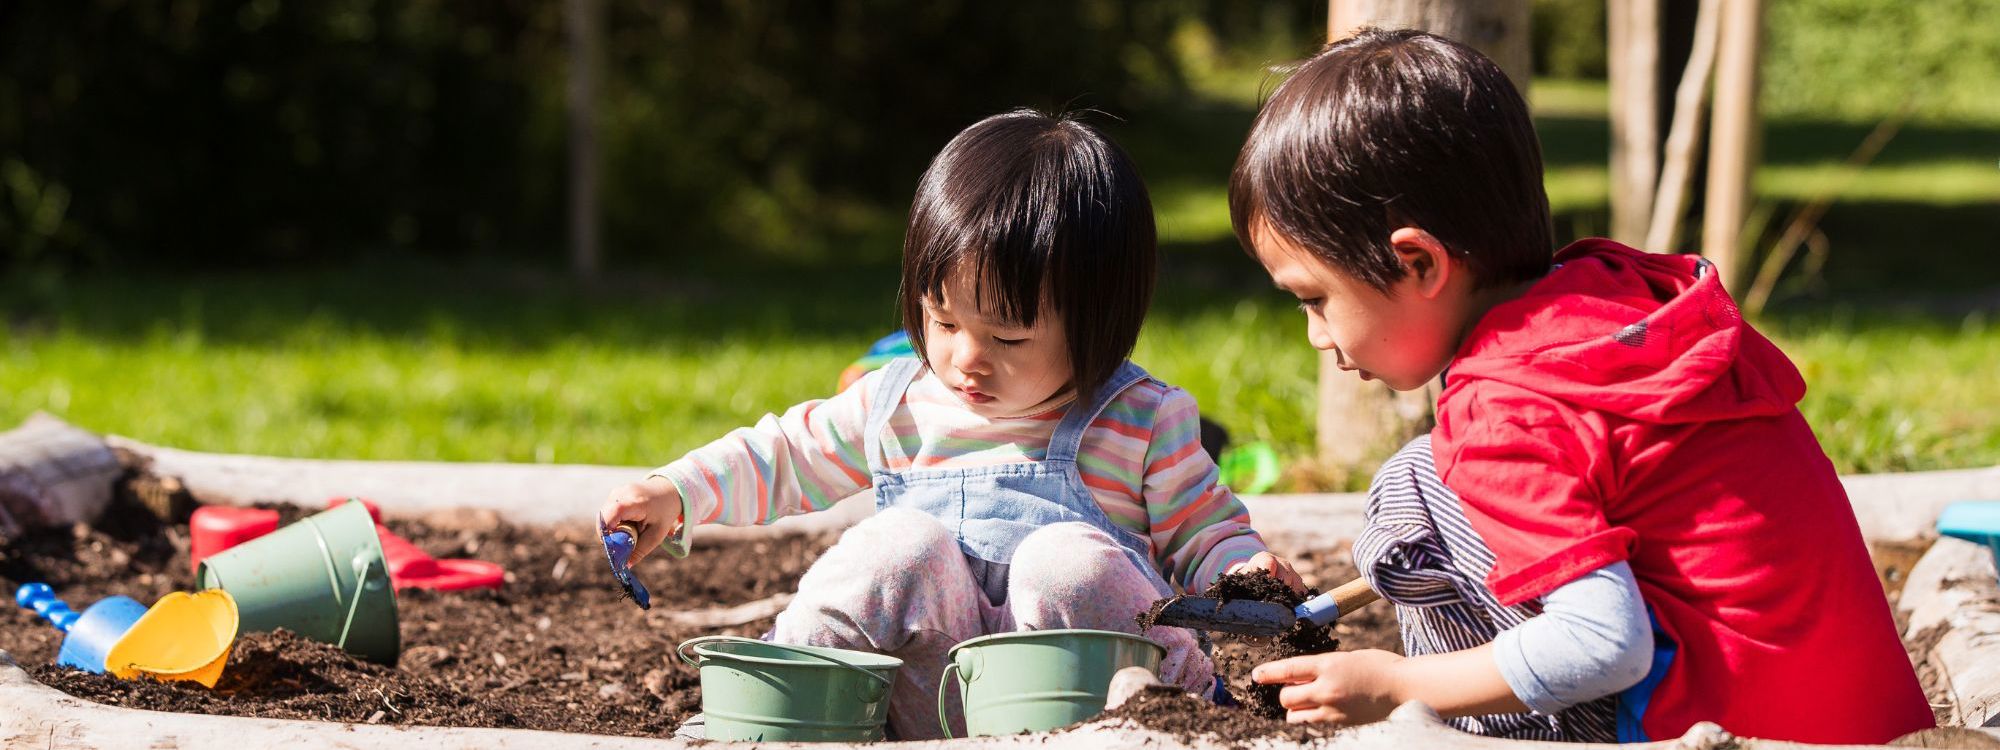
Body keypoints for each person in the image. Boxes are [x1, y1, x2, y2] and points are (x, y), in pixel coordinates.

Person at [1230, 29, 1932, 744]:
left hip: (1720, 728)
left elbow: (1605, 642)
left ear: (1417, 263)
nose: (1317, 337)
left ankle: (1454, 735)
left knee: (1408, 499)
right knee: (1427, 472)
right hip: (1872, 720)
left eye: (1314, 299)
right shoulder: (1624, 302)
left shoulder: (1501, 409)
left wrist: (1399, 685)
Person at [599, 109, 1297, 740]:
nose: (965, 358)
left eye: (1009, 338)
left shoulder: (1139, 420)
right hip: (937, 704)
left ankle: (1192, 713)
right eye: (943, 320)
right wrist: (678, 492)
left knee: (1066, 563)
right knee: (896, 546)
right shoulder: (899, 402)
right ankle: (778, 707)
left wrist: (1244, 576)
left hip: (1102, 702)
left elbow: (1203, 527)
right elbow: (784, 454)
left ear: (1098, 322)